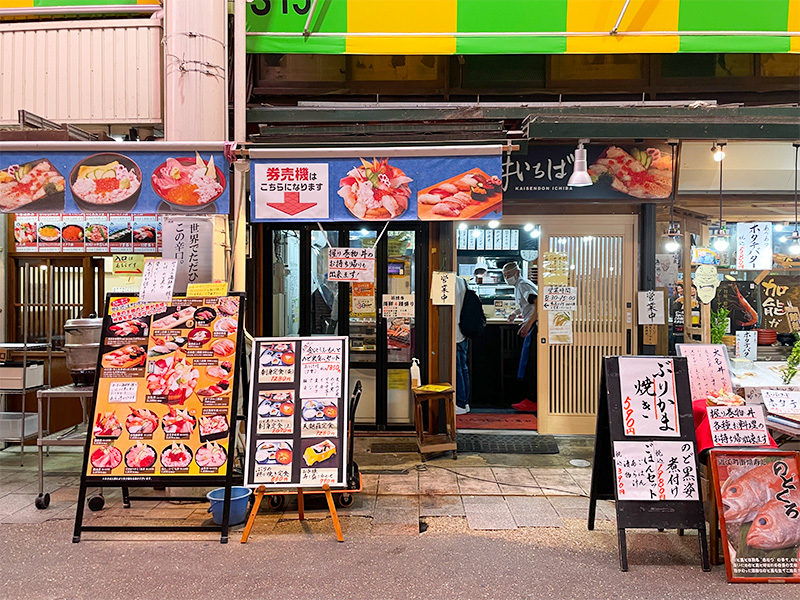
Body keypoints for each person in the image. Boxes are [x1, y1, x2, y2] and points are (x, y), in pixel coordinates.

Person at [502, 262, 538, 413]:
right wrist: (515, 313)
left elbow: (538, 303)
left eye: (509, 275)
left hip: (536, 327)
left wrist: (529, 323)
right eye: (505, 276)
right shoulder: (518, 286)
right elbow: (526, 304)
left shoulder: (523, 284)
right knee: (527, 363)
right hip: (532, 325)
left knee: (531, 364)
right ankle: (530, 399)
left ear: (517, 273)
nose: (507, 278)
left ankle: (533, 400)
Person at [454, 275, 470, 415]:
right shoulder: (462, 281)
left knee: (457, 369)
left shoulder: (444, 280)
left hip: (452, 332)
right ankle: (465, 402)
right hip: (463, 330)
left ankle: (459, 402)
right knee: (463, 367)